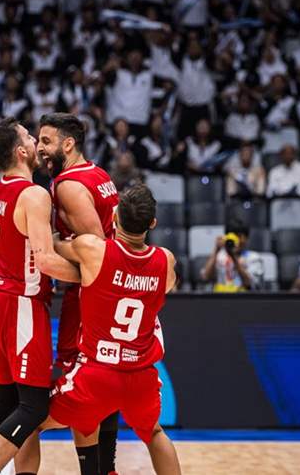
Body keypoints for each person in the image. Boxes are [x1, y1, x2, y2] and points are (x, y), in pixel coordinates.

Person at [0, 118, 79, 475]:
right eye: (30, 137)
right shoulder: (34, 194)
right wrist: (90, 276)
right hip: (21, 301)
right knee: (33, 406)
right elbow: (43, 259)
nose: (38, 144)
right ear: (21, 151)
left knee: (6, 397)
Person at [42, 183, 181, 475]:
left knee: (30, 420)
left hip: (98, 373)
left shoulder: (93, 249)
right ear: (152, 223)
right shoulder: (165, 260)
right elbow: (167, 286)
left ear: (114, 215)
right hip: (141, 377)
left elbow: (55, 245)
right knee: (155, 434)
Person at [35, 112, 121, 474]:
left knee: (80, 386)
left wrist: (55, 245)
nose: (40, 149)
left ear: (67, 144)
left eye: (46, 141)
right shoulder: (99, 174)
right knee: (104, 385)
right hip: (108, 293)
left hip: (90, 297)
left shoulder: (68, 185)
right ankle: (108, 468)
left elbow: (96, 252)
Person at [200, 219, 263, 292]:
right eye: (233, 236)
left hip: (244, 300)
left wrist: (233, 257)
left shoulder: (254, 258)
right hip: (220, 300)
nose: (236, 240)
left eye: (239, 236)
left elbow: (249, 283)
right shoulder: (219, 256)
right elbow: (205, 277)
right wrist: (216, 250)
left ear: (246, 238)